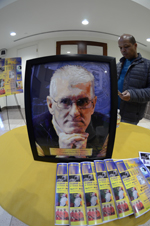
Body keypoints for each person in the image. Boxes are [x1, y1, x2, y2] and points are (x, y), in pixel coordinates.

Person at [33, 65, 109, 156]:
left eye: (83, 102)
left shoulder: (106, 126)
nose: (74, 113)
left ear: (93, 104)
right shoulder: (34, 129)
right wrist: (63, 155)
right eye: (65, 101)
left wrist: (81, 156)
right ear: (50, 105)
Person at [117, 34, 150, 125]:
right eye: (120, 48)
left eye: (126, 46)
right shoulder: (118, 65)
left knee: (125, 138)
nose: (123, 50)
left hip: (131, 115)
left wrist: (133, 94)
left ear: (135, 46)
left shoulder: (147, 65)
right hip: (113, 110)